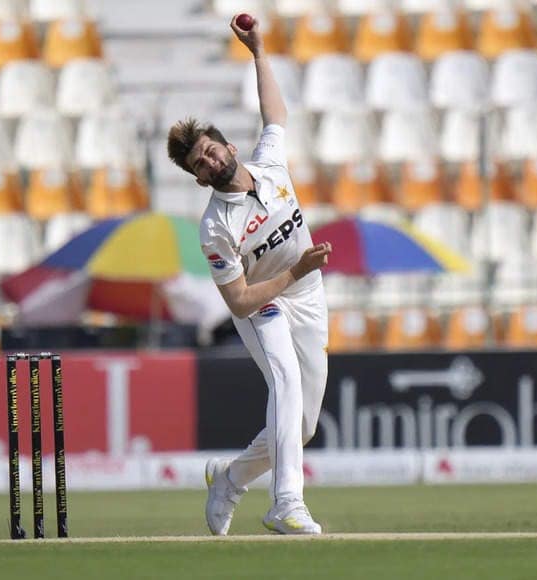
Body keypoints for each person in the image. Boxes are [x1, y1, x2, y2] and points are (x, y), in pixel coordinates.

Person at [166, 16, 332, 535]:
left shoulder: (271, 165)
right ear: (198, 179)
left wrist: (258, 52)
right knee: (282, 380)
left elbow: (275, 114)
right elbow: (237, 300)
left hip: (308, 292)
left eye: (212, 149)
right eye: (200, 163)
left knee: (300, 426)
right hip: (265, 304)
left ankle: (230, 479)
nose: (210, 160)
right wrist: (293, 273)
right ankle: (287, 504)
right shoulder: (216, 226)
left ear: (229, 147)